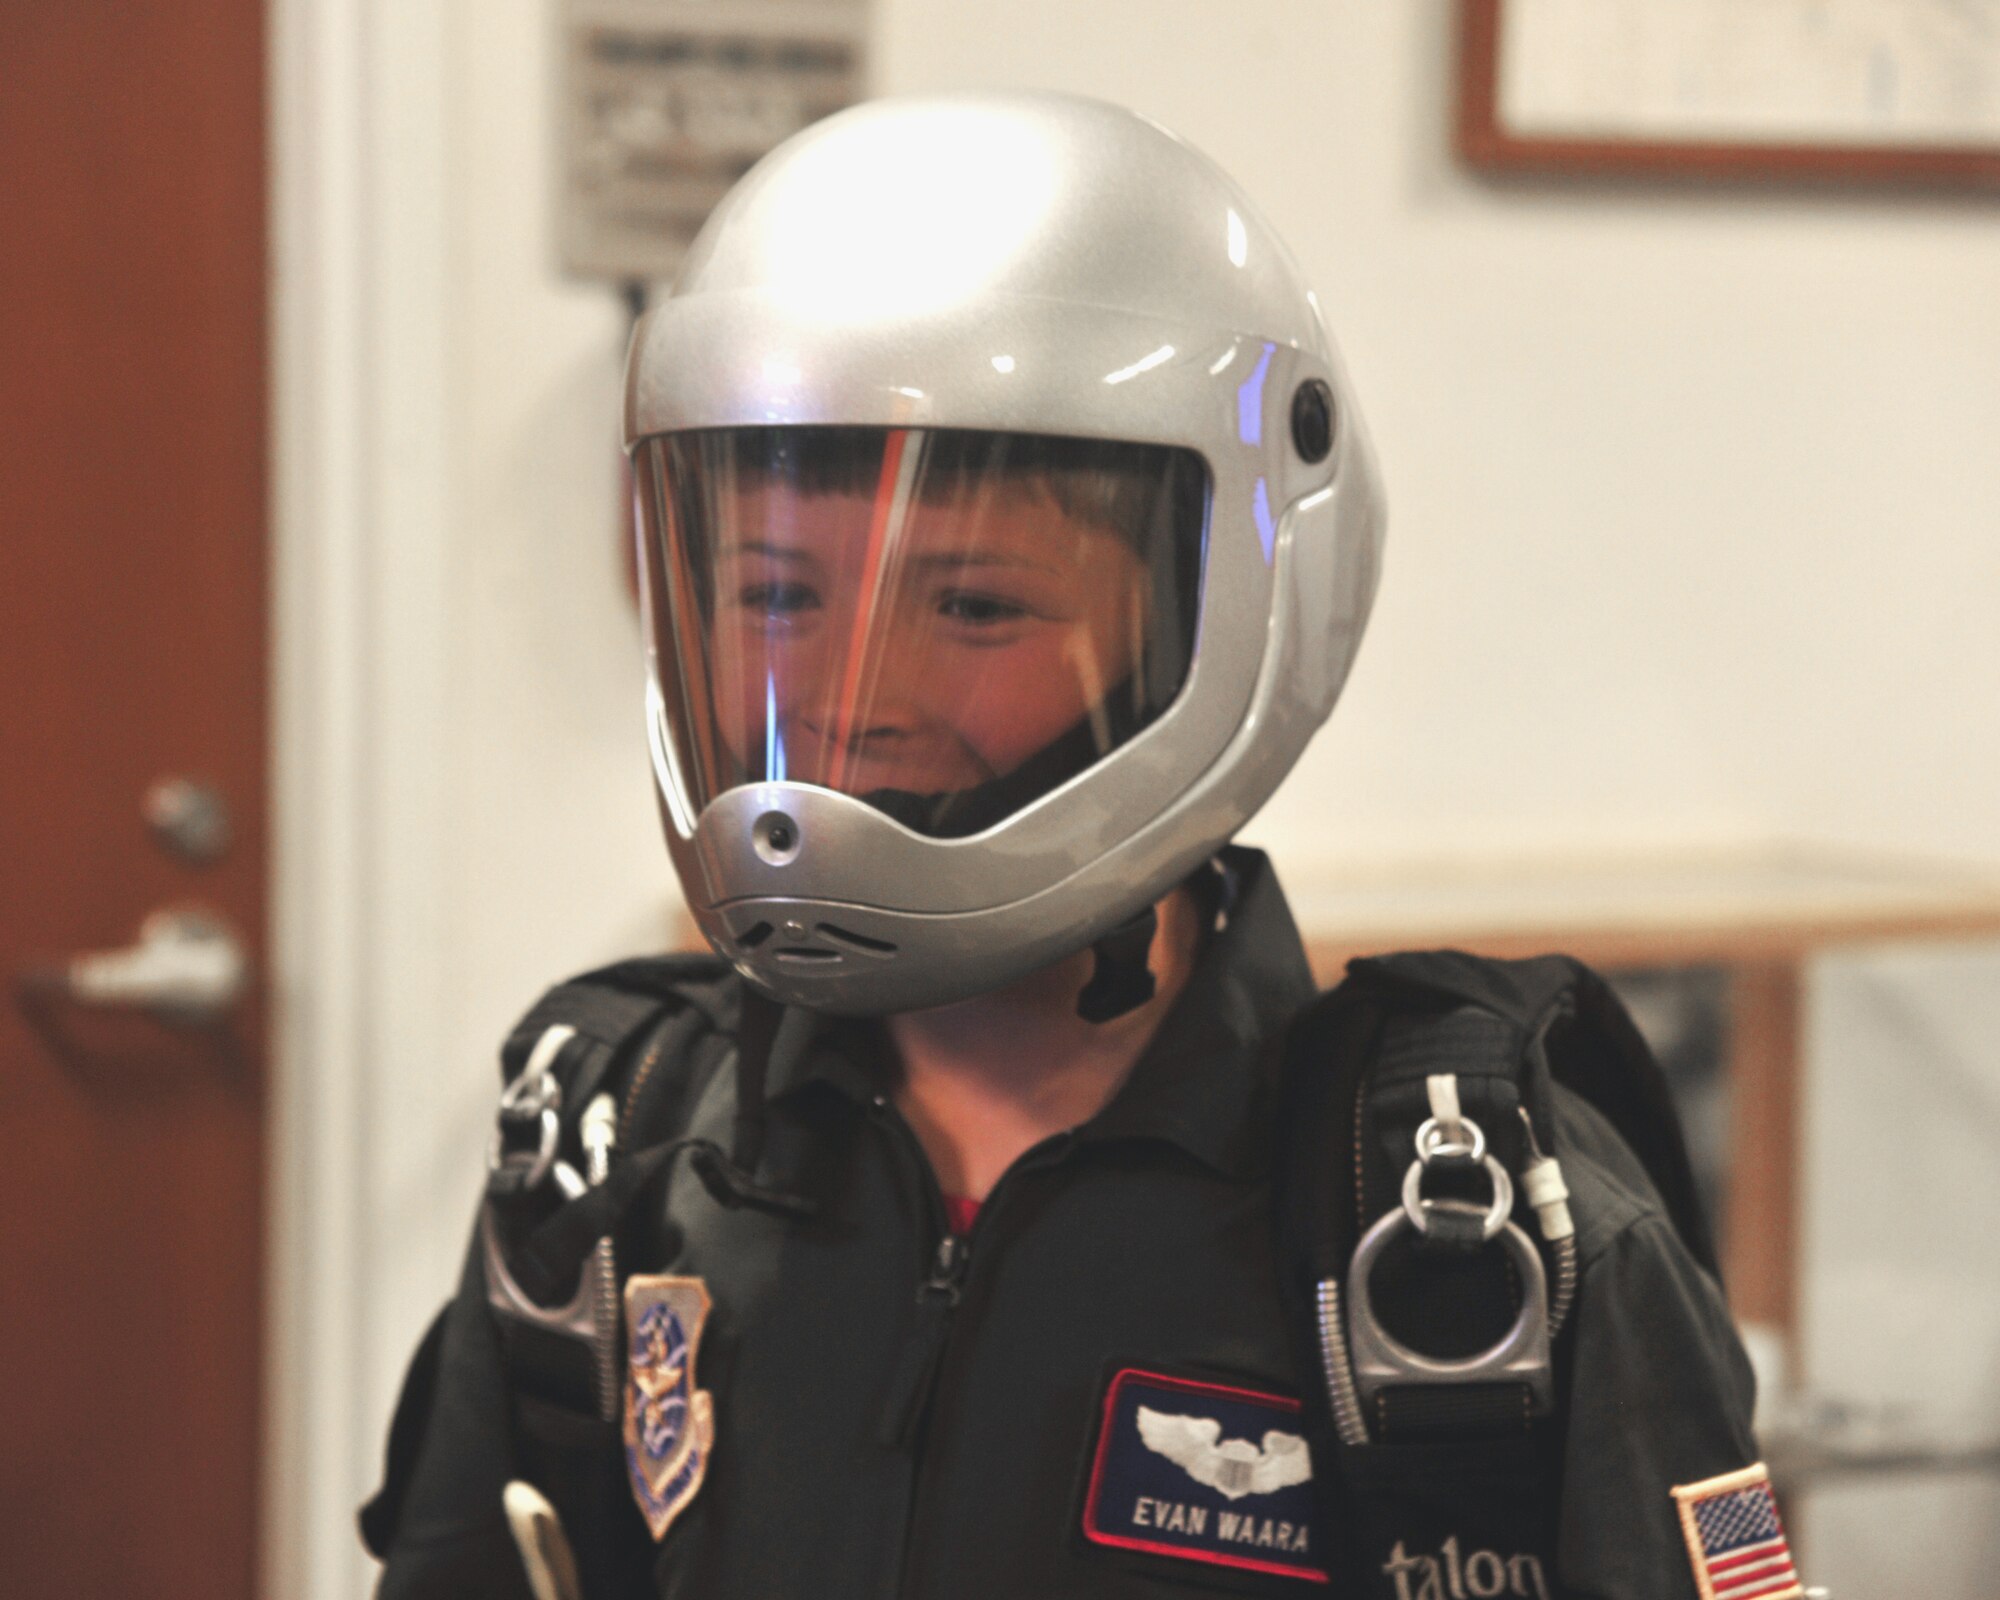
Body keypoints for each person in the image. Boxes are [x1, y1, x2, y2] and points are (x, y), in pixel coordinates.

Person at [365, 92, 1771, 1600]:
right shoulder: (608, 1159)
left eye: (973, 607)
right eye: (775, 598)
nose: (852, 708)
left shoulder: (1473, 1246)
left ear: (1219, 619)